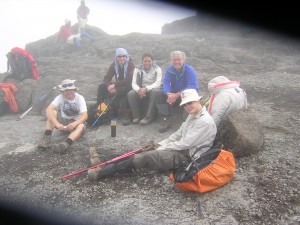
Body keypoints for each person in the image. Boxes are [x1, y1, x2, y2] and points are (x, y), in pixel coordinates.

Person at [87, 89, 217, 181]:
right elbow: (178, 134)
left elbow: (186, 143)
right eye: (185, 104)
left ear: (198, 101)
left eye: (190, 103)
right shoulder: (192, 115)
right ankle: (104, 159)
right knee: (144, 149)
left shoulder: (204, 121)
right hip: (180, 149)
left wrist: (162, 148)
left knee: (146, 156)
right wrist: (160, 144)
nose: (188, 107)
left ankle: (103, 172)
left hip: (187, 156)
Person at [37, 79, 88, 154]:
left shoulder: (80, 98)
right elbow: (48, 110)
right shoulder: (60, 97)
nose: (69, 95)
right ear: (63, 92)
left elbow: (85, 116)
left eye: (71, 92)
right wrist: (57, 123)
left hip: (76, 123)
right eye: (67, 93)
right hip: (63, 122)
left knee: (80, 126)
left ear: (74, 90)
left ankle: (66, 144)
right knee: (53, 112)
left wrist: (74, 124)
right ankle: (46, 138)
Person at [156, 50, 199, 133]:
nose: (176, 62)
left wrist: (177, 95)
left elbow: (192, 86)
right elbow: (166, 83)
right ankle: (165, 119)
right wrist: (168, 93)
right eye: (174, 59)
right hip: (174, 94)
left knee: (189, 96)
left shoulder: (190, 70)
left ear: (183, 60)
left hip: (186, 94)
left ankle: (185, 122)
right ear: (171, 60)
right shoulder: (169, 70)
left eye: (179, 59)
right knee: (159, 94)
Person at [96, 48, 135, 126]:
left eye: (123, 56)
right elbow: (106, 78)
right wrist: (109, 86)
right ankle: (99, 109)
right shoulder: (114, 64)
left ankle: (126, 114)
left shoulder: (131, 64)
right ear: (116, 57)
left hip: (129, 85)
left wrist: (114, 85)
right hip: (118, 85)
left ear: (126, 56)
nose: (121, 58)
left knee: (121, 90)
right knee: (101, 87)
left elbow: (128, 79)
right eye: (119, 57)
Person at [127, 53, 163, 125]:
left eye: (149, 61)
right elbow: (133, 83)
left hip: (153, 88)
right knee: (130, 94)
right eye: (145, 61)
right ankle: (136, 116)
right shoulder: (137, 69)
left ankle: (149, 117)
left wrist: (146, 89)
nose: (147, 63)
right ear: (142, 61)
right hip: (141, 89)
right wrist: (139, 90)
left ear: (152, 61)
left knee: (154, 92)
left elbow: (158, 83)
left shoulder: (157, 69)